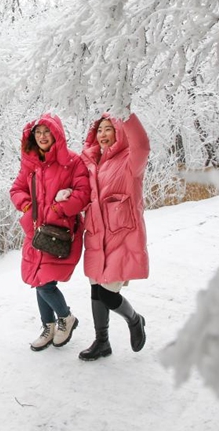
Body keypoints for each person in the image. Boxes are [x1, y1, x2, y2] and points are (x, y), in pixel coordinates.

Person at [10, 113, 91, 351]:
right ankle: (48, 326)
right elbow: (17, 189)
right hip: (35, 231)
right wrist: (27, 206)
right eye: (38, 133)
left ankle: (66, 317)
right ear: (33, 137)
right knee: (38, 280)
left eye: (47, 132)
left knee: (45, 283)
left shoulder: (72, 162)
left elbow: (82, 193)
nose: (43, 137)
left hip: (59, 231)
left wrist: (56, 209)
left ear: (57, 134)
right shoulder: (31, 164)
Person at [78, 108, 150, 361]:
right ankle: (102, 342)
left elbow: (142, 143)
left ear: (119, 132)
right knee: (96, 291)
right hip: (96, 236)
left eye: (109, 129)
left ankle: (134, 320)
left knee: (109, 294)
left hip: (121, 236)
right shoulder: (88, 161)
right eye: (99, 129)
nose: (103, 134)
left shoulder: (131, 159)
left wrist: (125, 111)